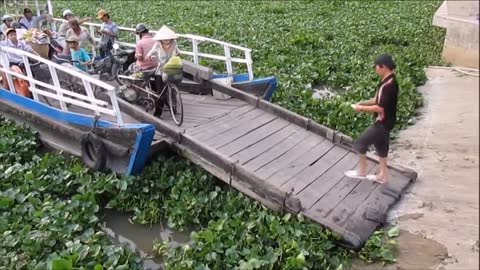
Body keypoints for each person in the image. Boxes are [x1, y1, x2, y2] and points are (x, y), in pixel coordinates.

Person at [345, 54, 399, 184]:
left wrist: (361, 109)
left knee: (360, 143)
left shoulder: (388, 85)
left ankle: (362, 171)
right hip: (388, 122)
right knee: (381, 147)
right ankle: (382, 175)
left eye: (376, 67)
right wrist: (362, 103)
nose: (376, 70)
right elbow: (376, 100)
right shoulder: (389, 80)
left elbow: (380, 108)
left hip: (382, 122)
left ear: (383, 67)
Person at [145, 25, 180, 116]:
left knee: (173, 88)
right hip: (161, 69)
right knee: (160, 92)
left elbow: (176, 52)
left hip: (171, 68)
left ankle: (174, 107)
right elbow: (151, 52)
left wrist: (178, 54)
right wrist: (148, 56)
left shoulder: (174, 43)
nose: (166, 40)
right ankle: (158, 113)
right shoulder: (157, 44)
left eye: (168, 38)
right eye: (164, 39)